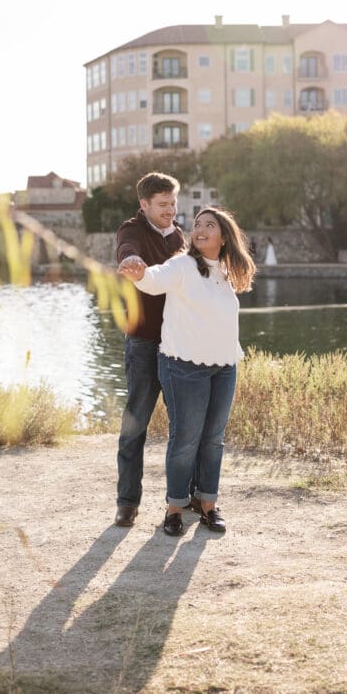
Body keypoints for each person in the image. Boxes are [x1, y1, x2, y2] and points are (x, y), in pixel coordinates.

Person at [118, 207, 255, 535]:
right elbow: (153, 281)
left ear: (224, 237)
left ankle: (207, 503)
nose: (200, 229)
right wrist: (138, 271)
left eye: (210, 225)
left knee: (213, 440)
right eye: (197, 224)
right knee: (185, 440)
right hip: (183, 366)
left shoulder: (225, 270)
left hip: (224, 367)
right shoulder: (181, 264)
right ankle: (174, 508)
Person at [113, 171, 186, 528]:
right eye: (163, 204)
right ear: (144, 205)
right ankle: (127, 502)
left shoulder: (179, 237)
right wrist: (132, 262)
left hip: (176, 343)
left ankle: (180, 501)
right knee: (135, 424)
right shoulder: (132, 231)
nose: (170, 210)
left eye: (173, 202)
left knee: (183, 426)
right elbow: (127, 250)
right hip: (143, 342)